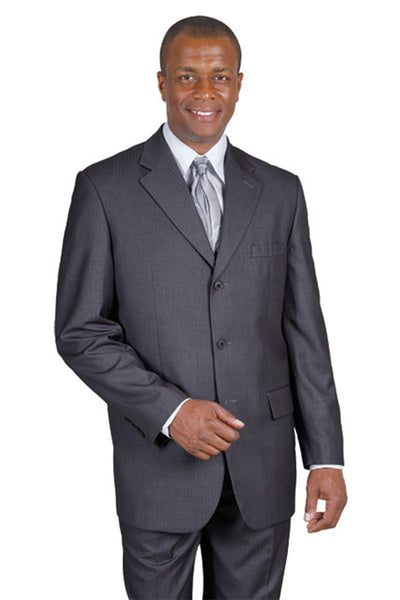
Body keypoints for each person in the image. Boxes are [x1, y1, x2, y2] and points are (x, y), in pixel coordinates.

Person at [55, 15, 347, 600]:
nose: (204, 92)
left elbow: (304, 331)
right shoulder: (104, 187)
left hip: (262, 465)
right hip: (159, 467)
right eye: (187, 76)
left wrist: (326, 458)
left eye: (220, 77)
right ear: (162, 83)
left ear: (239, 84)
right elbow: (80, 331)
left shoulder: (281, 191)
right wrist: (171, 411)